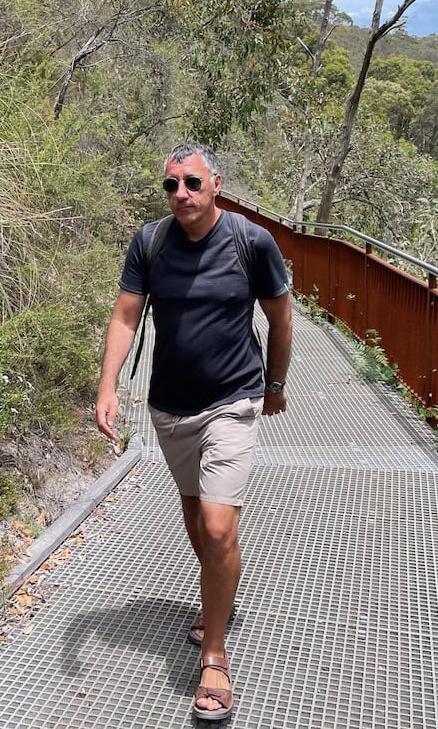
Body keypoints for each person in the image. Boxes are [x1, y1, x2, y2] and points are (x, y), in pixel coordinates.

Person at [95, 142, 293, 721]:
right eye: (171, 185)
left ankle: (214, 654)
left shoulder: (251, 242)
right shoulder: (149, 242)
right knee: (196, 523)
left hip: (234, 400)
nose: (181, 194)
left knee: (216, 523)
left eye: (192, 183)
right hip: (170, 409)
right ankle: (220, 590)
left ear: (216, 185)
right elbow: (126, 315)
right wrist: (107, 387)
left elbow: (280, 317)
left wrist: (275, 385)